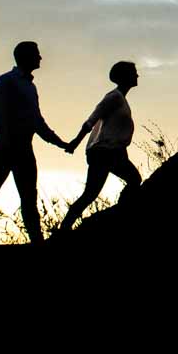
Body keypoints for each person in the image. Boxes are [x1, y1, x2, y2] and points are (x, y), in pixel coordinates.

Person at [0, 41, 73, 245]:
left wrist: (60, 143)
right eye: (37, 54)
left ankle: (37, 240)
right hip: (5, 147)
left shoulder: (30, 86)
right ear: (26, 57)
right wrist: (6, 144)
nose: (41, 58)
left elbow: (37, 121)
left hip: (24, 148)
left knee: (28, 198)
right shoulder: (6, 81)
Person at [57, 61, 144, 235]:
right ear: (124, 76)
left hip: (113, 151)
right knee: (132, 180)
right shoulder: (114, 97)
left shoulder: (120, 99)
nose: (137, 76)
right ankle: (65, 228)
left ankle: (64, 228)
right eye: (134, 72)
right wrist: (76, 141)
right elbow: (92, 120)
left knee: (92, 193)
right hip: (106, 151)